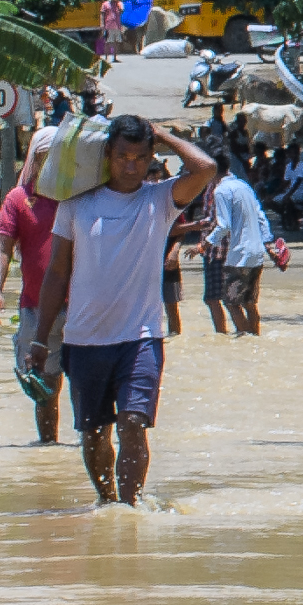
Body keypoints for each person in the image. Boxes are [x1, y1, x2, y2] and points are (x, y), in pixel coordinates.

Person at [27, 114, 220, 506]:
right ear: (107, 157)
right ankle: (108, 502)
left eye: (139, 157)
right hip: (83, 341)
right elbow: (56, 275)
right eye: (121, 156)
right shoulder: (76, 206)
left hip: (140, 339)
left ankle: (129, 509)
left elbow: (207, 168)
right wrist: (39, 339)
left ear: (151, 157)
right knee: (94, 433)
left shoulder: (159, 200)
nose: (130, 165)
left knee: (133, 424)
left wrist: (163, 134)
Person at [0, 137, 65, 443]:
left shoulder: (79, 197)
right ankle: (48, 450)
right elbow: (3, 246)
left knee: (88, 384)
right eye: (45, 156)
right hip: (35, 306)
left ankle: (89, 448)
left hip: (83, 306)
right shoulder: (18, 200)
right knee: (44, 388)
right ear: (34, 158)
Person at [200, 144, 279, 335]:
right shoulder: (245, 186)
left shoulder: (220, 190)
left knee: (231, 303)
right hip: (255, 253)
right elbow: (261, 217)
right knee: (249, 303)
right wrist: (269, 245)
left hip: (235, 254)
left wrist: (204, 244)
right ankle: (255, 339)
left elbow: (223, 225)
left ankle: (246, 340)